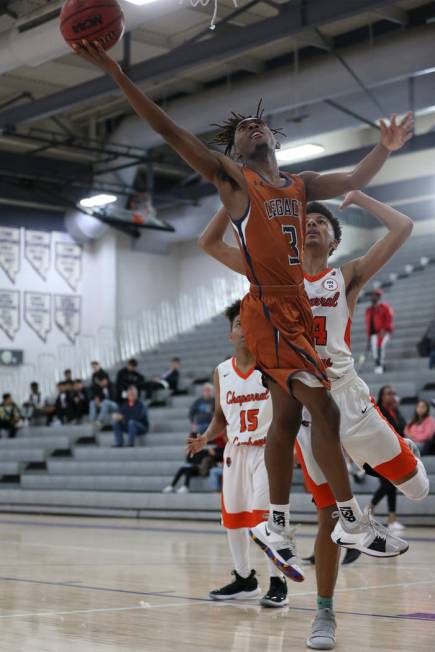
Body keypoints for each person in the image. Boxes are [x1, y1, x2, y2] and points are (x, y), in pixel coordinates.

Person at [73, 39, 414, 565]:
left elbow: (351, 179)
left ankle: (277, 527)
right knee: (319, 409)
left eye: (258, 124)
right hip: (269, 309)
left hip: (294, 309)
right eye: (240, 132)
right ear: (233, 154)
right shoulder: (236, 182)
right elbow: (167, 130)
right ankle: (347, 520)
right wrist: (115, 71)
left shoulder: (300, 186)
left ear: (272, 137)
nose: (251, 128)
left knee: (286, 419)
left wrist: (385, 148)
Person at [199, 191, 429, 648]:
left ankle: (399, 455)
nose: (312, 224)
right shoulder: (271, 278)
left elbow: (403, 226)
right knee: (329, 516)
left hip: (349, 400)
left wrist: (362, 195)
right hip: (306, 409)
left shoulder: (345, 276)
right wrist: (234, 193)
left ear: (334, 238)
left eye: (322, 222)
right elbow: (209, 243)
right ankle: (324, 614)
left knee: (419, 488)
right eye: (306, 220)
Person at [187, 300, 289, 606]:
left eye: (248, 323)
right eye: (237, 324)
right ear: (230, 334)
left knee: (265, 519)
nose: (243, 329)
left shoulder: (271, 363)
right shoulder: (221, 372)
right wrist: (205, 437)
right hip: (234, 451)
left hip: (267, 450)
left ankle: (278, 581)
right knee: (233, 520)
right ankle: (245, 580)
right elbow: (221, 415)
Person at [365, 289, 394, 374]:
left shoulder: (385, 307)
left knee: (379, 348)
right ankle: (380, 366)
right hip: (373, 334)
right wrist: (369, 336)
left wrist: (385, 330)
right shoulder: (369, 310)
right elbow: (368, 324)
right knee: (375, 353)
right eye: (372, 295)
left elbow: (389, 319)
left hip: (382, 332)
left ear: (378, 297)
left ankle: (380, 367)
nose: (373, 297)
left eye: (375, 295)